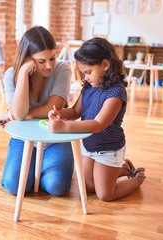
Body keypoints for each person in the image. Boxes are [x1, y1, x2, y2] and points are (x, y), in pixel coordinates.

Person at [47, 37, 146, 201]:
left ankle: (137, 179)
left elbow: (99, 124)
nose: (85, 77)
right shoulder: (88, 87)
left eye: (88, 72)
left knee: (105, 194)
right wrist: (59, 113)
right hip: (89, 145)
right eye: (83, 73)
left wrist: (65, 128)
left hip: (108, 149)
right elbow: (74, 111)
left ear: (105, 65)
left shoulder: (116, 92)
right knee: (87, 187)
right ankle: (124, 168)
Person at [0, 26, 74, 196]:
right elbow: (18, 114)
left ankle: (42, 168)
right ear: (28, 58)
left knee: (56, 186)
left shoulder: (62, 69)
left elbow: (54, 108)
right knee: (14, 186)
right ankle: (34, 169)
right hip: (25, 139)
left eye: (52, 58)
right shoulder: (12, 75)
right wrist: (24, 72)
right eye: (41, 61)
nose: (49, 66)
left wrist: (29, 114)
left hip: (56, 138)